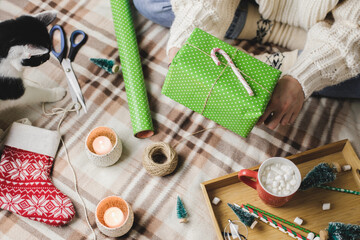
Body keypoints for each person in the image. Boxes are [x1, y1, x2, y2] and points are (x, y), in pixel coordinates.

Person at [134, 0, 360, 130]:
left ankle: (286, 61)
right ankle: (272, 31)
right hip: (256, 4)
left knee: (351, 71)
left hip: (339, 23)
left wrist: (302, 78)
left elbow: (354, 28)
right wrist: (193, 30)